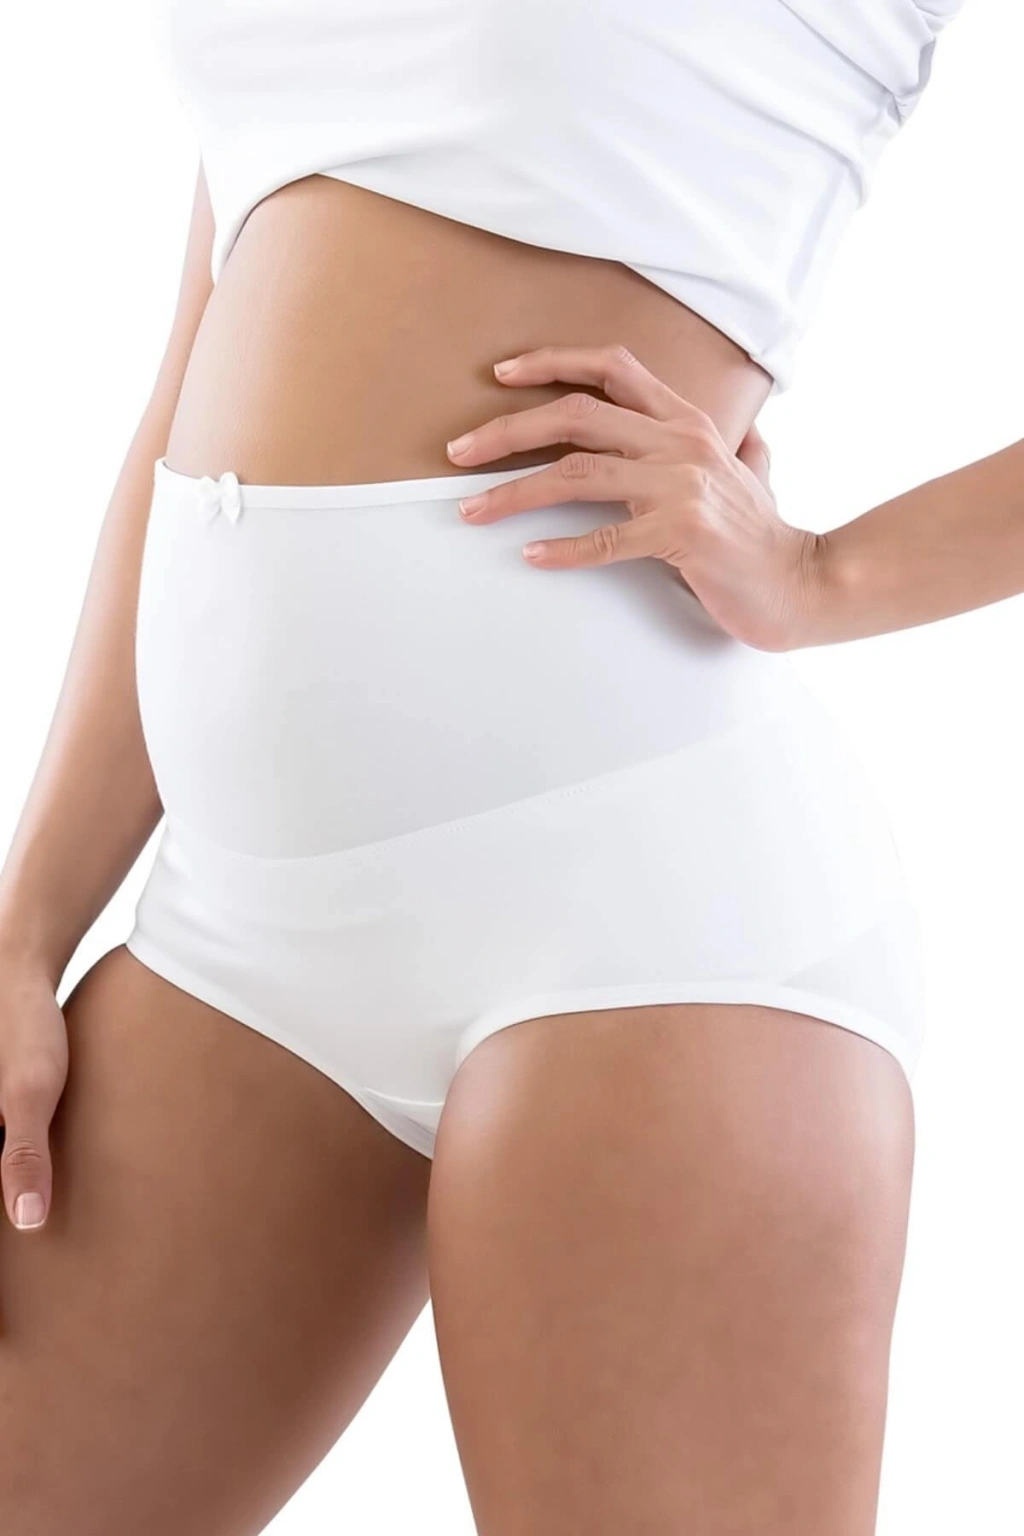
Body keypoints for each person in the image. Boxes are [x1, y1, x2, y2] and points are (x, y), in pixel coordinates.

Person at [0, 2, 981, 1532]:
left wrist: (825, 572)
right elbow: (187, 394)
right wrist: (27, 929)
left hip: (637, 919)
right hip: (239, 942)